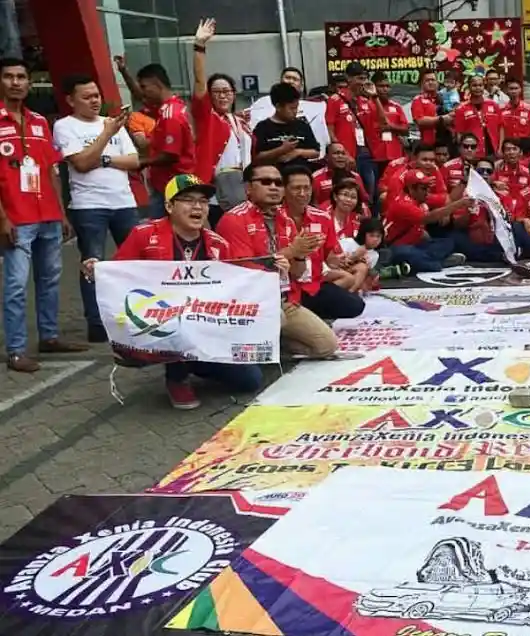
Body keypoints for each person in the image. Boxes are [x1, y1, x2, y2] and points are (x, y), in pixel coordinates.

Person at [81, 174, 263, 409]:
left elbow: (236, 286)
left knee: (250, 380)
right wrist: (97, 271)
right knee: (178, 318)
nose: (197, 207)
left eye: (203, 201)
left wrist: (274, 269)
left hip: (204, 323)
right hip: (157, 317)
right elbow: (119, 274)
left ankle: (194, 360)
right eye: (188, 200)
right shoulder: (144, 235)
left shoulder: (218, 244)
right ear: (169, 206)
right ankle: (177, 376)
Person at [0, 58, 88, 372]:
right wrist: (2, 218)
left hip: (48, 215)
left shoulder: (39, 121)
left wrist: (61, 214)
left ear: (29, 82)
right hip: (16, 218)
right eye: (8, 77)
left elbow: (51, 171)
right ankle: (16, 350)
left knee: (50, 280)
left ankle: (49, 337)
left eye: (21, 77)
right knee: (16, 286)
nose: (16, 82)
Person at [217, 163, 338, 359]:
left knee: (327, 346)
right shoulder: (234, 219)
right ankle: (254, 346)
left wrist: (300, 255)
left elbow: (297, 273)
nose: (274, 187)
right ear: (248, 188)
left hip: (283, 299)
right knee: (276, 318)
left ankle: (275, 345)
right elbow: (246, 274)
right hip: (249, 302)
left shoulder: (285, 219)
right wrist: (291, 251)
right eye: (266, 182)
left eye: (278, 183)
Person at [54, 74, 140, 344]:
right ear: (71, 100)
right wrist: (106, 135)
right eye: (87, 97)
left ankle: (137, 315)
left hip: (124, 202)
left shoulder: (112, 123)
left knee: (135, 261)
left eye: (96, 95)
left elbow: (134, 161)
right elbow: (80, 163)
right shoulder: (65, 126)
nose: (94, 101)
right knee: (93, 264)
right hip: (89, 206)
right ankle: (97, 323)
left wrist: (102, 159)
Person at [190, 18, 251, 227]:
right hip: (217, 190)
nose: (223, 95)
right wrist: (199, 46)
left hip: (244, 187)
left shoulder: (242, 122)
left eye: (227, 91)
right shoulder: (208, 118)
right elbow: (199, 82)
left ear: (234, 94)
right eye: (217, 92)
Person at [281, 166, 365, 318]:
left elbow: (331, 258)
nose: (303, 193)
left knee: (355, 305)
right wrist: (295, 250)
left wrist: (345, 259)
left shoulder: (322, 218)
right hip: (285, 288)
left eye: (307, 188)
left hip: (314, 284)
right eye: (296, 188)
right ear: (284, 190)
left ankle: (309, 315)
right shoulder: (274, 218)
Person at [135, 63, 195, 219]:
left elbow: (171, 155)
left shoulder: (170, 115)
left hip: (171, 185)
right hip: (173, 183)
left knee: (163, 228)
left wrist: (142, 162)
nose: (143, 92)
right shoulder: (173, 107)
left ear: (156, 84)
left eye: (144, 87)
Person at [383, 168, 471, 272]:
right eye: (423, 188)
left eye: (428, 188)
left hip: (415, 244)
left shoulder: (421, 197)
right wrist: (459, 204)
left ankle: (427, 260)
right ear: (411, 189)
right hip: (396, 247)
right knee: (412, 255)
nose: (427, 191)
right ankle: (437, 262)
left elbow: (447, 199)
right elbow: (428, 218)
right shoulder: (403, 204)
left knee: (448, 242)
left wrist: (463, 182)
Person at [247, 67, 330, 153]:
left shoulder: (313, 109)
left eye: (295, 79)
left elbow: (316, 151)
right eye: (287, 78)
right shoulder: (262, 103)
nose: (291, 81)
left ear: (301, 85)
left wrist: (297, 152)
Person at [325, 62, 378, 195]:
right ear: (349, 78)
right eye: (360, 78)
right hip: (347, 155)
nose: (363, 82)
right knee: (349, 190)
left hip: (366, 153)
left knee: (370, 192)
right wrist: (343, 154)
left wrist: (375, 96)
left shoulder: (365, 101)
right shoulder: (335, 100)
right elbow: (329, 130)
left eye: (365, 78)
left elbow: (383, 122)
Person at [252, 82, 321, 170]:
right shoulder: (262, 127)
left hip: (301, 172)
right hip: (273, 174)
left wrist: (297, 152)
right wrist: (282, 150)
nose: (295, 111)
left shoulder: (302, 125)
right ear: (278, 107)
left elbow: (315, 152)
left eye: (296, 107)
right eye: (291, 108)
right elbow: (257, 158)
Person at [369, 70, 409, 193]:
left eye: (387, 86)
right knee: (374, 190)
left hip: (394, 156)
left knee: (393, 188)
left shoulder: (396, 106)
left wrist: (390, 127)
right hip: (374, 156)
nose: (385, 89)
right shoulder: (366, 106)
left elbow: (406, 129)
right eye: (381, 86)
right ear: (373, 87)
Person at [452, 75, 504, 158]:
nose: (478, 88)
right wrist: (464, 153)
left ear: (484, 86)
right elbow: (459, 135)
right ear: (469, 87)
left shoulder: (493, 105)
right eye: (474, 85)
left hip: (493, 153)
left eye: (480, 85)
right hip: (473, 153)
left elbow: (501, 127)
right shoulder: (461, 109)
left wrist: (500, 149)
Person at [313, 141, 368, 206]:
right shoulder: (316, 177)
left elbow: (364, 200)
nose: (340, 156)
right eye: (336, 153)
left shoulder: (355, 176)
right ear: (327, 157)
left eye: (343, 153)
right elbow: (314, 204)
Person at [501, 77, 530, 152]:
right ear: (506, 91)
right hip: (509, 147)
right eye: (511, 89)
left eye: (516, 88)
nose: (514, 91)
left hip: (526, 146)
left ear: (520, 90)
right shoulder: (502, 110)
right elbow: (501, 131)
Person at [411, 70, 445, 149]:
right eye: (427, 80)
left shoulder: (445, 99)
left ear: (437, 83)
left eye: (433, 80)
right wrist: (442, 119)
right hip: (426, 145)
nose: (430, 82)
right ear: (422, 84)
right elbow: (420, 121)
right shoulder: (418, 100)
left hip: (445, 144)